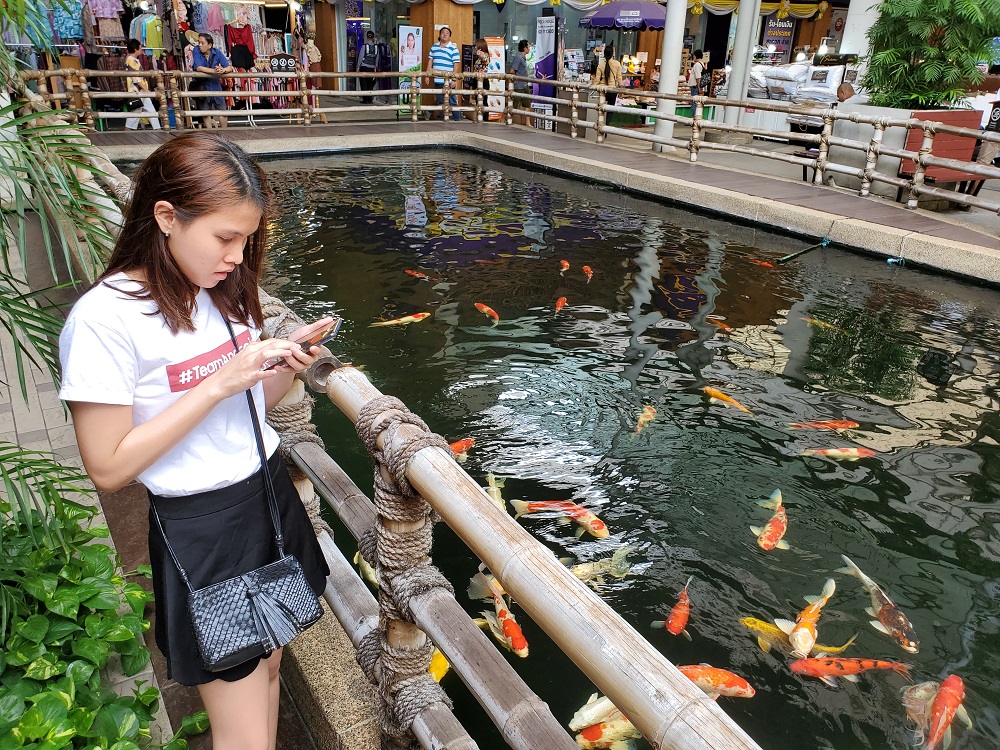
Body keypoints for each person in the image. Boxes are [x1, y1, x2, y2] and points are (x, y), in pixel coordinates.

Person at [58, 133, 331, 750]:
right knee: (241, 723)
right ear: (166, 216)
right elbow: (107, 467)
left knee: (269, 667)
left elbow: (248, 409)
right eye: (225, 237)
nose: (237, 255)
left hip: (266, 495)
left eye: (247, 239)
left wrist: (287, 366)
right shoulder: (105, 319)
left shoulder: (219, 290)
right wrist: (217, 383)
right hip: (204, 527)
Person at [191, 33, 234, 128]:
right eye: (199, 42)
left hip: (215, 86)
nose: (200, 45)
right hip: (202, 86)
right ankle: (210, 133)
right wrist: (215, 71)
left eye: (202, 43)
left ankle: (224, 132)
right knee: (206, 113)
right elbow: (199, 67)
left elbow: (229, 67)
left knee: (222, 111)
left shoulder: (217, 52)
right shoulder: (196, 50)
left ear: (209, 45)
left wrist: (223, 70)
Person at [125, 39, 160, 131]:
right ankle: (127, 131)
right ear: (135, 49)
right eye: (140, 48)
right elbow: (135, 78)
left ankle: (158, 129)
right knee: (136, 112)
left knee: (149, 110)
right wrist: (145, 88)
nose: (141, 50)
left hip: (140, 90)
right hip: (137, 90)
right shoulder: (131, 60)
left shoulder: (133, 60)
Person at [428, 26, 461, 121]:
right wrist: (427, 75)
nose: (445, 34)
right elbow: (430, 61)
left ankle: (457, 119)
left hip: (449, 80)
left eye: (447, 33)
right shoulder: (434, 47)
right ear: (439, 35)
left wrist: (454, 79)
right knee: (440, 102)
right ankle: (443, 119)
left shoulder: (453, 48)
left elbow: (456, 64)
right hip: (437, 80)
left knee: (452, 101)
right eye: (443, 32)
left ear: (450, 36)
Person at [509, 39, 530, 126]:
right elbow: (512, 71)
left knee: (527, 104)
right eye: (528, 46)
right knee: (514, 104)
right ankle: (505, 118)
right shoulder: (518, 58)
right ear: (525, 48)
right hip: (519, 85)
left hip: (525, 85)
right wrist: (515, 80)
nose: (529, 48)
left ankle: (527, 122)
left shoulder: (524, 58)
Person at [357, 30, 380, 104]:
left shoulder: (364, 46)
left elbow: (360, 57)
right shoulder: (376, 47)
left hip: (364, 67)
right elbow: (377, 58)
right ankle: (370, 99)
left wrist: (358, 67)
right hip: (372, 68)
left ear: (367, 37)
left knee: (364, 84)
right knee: (370, 84)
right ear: (373, 38)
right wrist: (375, 67)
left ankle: (365, 99)